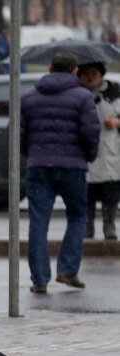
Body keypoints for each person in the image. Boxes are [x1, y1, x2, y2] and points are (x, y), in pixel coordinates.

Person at [21, 53, 100, 294]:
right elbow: (90, 132)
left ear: (49, 68)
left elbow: (20, 133)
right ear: (75, 71)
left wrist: (32, 153)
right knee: (77, 216)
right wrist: (88, 155)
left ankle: (40, 279)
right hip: (72, 167)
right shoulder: (83, 97)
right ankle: (67, 270)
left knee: (38, 220)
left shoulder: (29, 97)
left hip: (38, 166)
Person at [77, 61, 120, 241]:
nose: (90, 77)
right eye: (86, 73)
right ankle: (88, 225)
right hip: (85, 151)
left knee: (110, 193)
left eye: (94, 72)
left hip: (110, 151)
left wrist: (118, 122)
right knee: (87, 194)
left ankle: (109, 224)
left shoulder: (115, 93)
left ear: (101, 74)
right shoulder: (77, 94)